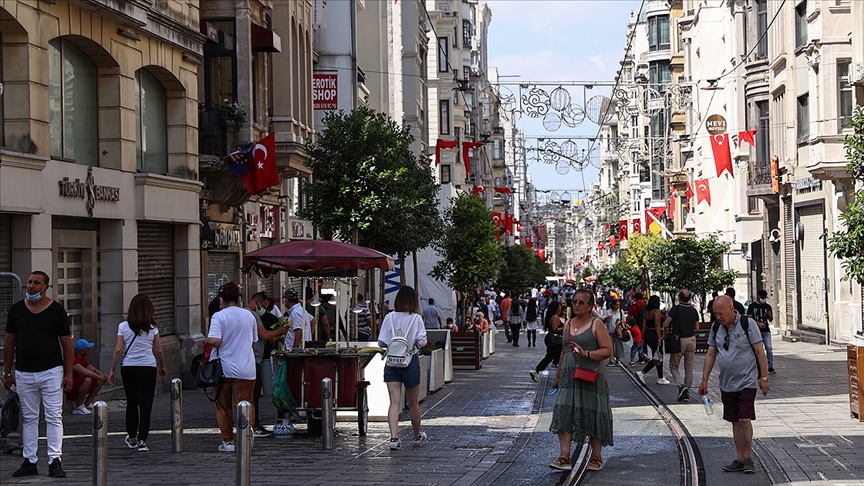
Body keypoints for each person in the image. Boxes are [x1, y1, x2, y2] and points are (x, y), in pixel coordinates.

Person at [3, 271, 73, 478]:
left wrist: (68, 374)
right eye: (29, 282)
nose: (31, 286)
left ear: (46, 287)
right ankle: (30, 460)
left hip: (51, 371)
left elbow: (67, 345)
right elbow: (9, 343)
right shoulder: (16, 310)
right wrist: (8, 372)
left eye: (36, 283)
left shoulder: (56, 311)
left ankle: (55, 460)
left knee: (53, 417)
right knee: (29, 417)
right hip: (24, 372)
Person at [698, 295, 770, 474]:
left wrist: (764, 378)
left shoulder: (747, 324)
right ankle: (739, 458)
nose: (718, 317)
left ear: (731, 309)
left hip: (747, 381)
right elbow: (710, 353)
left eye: (720, 313)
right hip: (726, 382)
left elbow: (760, 352)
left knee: (745, 419)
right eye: (715, 314)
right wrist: (704, 379)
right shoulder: (716, 327)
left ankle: (748, 458)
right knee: (735, 421)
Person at [549, 289, 614, 471]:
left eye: (581, 302)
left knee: (593, 413)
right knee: (564, 411)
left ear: (590, 306)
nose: (576, 305)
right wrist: (558, 376)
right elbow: (564, 351)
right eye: (574, 302)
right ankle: (564, 456)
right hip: (569, 376)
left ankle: (596, 457)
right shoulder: (568, 323)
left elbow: (608, 351)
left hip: (591, 375)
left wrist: (587, 353)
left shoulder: (597, 324)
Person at [107, 294, 167, 452]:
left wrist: (112, 369)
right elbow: (159, 350)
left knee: (132, 401)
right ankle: (143, 439)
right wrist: (163, 366)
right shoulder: (153, 328)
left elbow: (118, 349)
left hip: (129, 367)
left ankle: (132, 436)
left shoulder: (123, 326)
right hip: (148, 366)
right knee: (146, 404)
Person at [206, 282, 259, 452]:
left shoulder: (219, 317)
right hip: (246, 369)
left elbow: (215, 340)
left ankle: (228, 441)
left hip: (224, 369)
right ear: (238, 298)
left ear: (221, 300)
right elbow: (254, 343)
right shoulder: (249, 316)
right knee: (246, 403)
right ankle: (247, 434)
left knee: (223, 406)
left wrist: (207, 340)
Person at [378, 286, 428, 450]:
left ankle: (393, 438)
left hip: (392, 362)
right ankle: (417, 435)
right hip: (410, 361)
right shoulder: (416, 319)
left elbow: (381, 342)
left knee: (394, 402)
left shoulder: (389, 317)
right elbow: (422, 342)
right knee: (413, 403)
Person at [247, 292, 290, 437]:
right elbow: (264, 334)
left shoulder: (247, 314)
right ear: (258, 303)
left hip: (252, 359)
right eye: (264, 306)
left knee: (253, 394)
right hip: (252, 360)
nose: (265, 310)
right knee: (254, 394)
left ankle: (252, 424)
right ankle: (254, 425)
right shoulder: (253, 315)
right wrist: (280, 331)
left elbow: (261, 338)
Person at [664, 290, 700, 402]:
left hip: (678, 340)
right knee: (689, 368)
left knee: (673, 366)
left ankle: (681, 386)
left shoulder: (675, 309)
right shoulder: (693, 311)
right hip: (691, 339)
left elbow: (666, 324)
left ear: (679, 298)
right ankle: (687, 393)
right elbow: (697, 327)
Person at [67, 338, 107, 415]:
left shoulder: (83, 359)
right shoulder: (73, 359)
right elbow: (85, 372)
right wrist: (99, 377)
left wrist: (102, 376)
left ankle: (88, 403)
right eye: (87, 348)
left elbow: (93, 369)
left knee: (99, 380)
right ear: (82, 351)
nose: (89, 349)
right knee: (87, 380)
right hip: (70, 388)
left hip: (77, 387)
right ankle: (78, 406)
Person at [637, 295, 670, 385]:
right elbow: (657, 325)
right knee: (658, 356)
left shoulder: (647, 312)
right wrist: (659, 337)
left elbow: (644, 326)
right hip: (655, 335)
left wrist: (642, 338)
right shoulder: (657, 312)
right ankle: (643, 372)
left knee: (657, 354)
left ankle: (660, 377)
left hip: (648, 335)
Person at [529, 300, 564, 382]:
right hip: (554, 341)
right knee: (557, 357)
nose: (560, 307)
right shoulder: (555, 317)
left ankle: (536, 371)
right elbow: (555, 329)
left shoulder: (552, 316)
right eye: (559, 305)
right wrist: (565, 327)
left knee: (550, 357)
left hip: (552, 340)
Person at [747, 289, 775, 374]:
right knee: (756, 349)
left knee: (769, 348)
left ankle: (770, 366)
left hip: (766, 330)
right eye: (762, 297)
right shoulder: (752, 306)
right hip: (755, 331)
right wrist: (758, 324)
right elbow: (749, 318)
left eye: (764, 298)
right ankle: (756, 366)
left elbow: (771, 319)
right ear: (758, 296)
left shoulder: (767, 306)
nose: (763, 299)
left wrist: (769, 315)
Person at [603, 299, 626, 365]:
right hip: (610, 331)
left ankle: (618, 359)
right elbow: (603, 321)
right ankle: (611, 359)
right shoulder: (608, 312)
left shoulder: (621, 312)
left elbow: (624, 321)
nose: (618, 306)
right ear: (613, 305)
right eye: (616, 305)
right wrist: (607, 318)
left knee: (618, 346)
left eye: (619, 305)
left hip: (618, 332)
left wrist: (620, 322)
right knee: (610, 346)